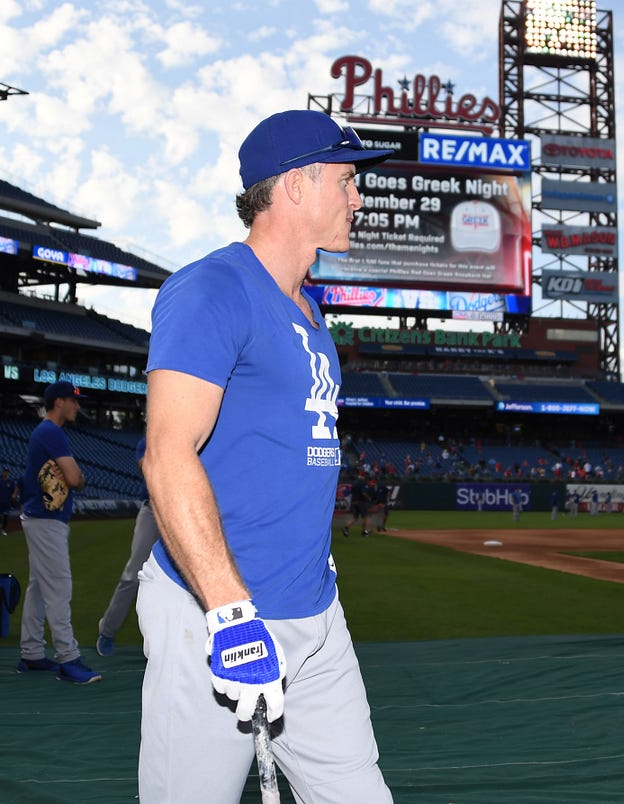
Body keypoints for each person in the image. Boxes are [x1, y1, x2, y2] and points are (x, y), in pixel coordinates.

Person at [138, 109, 394, 802]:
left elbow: (293, 453)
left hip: (316, 614)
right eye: (346, 179)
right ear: (294, 186)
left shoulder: (313, 315)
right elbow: (166, 454)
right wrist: (228, 614)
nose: (358, 197)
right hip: (221, 620)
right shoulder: (212, 288)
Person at [15, 380, 99, 685]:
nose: (78, 406)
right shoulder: (51, 431)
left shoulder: (46, 432)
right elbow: (76, 478)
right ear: (59, 402)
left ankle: (32, 654)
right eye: (74, 401)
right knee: (59, 588)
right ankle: (68, 658)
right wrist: (76, 477)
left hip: (40, 517)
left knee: (38, 588)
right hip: (46, 520)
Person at [96, 439, 159, 656]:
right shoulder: (147, 441)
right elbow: (147, 467)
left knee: (180, 581)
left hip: (178, 512)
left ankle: (166, 641)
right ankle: (107, 630)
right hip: (153, 510)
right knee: (133, 575)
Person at [0, 468, 19, 536]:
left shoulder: (11, 482)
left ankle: (3, 529)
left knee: (6, 516)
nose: (6, 474)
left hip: (7, 502)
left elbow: (15, 490)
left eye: (7, 472)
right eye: (5, 472)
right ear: (3, 473)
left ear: (8, 473)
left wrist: (13, 497)